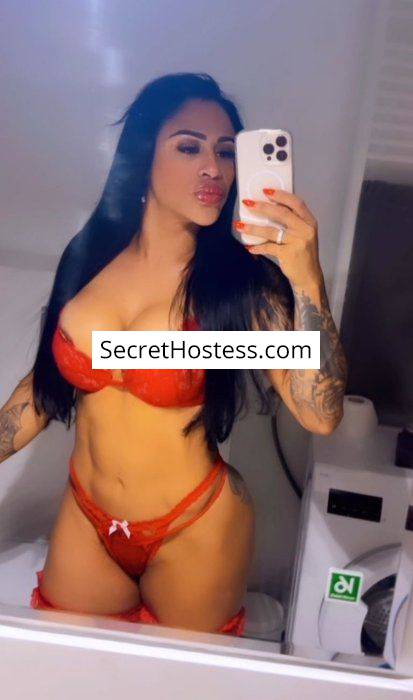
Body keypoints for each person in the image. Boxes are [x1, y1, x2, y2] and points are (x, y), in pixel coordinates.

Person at [0, 72, 347, 636]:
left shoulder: (241, 284)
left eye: (226, 152)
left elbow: (320, 413)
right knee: (66, 669)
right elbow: (41, 391)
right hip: (88, 520)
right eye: (189, 147)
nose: (214, 168)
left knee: (180, 680)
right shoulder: (89, 257)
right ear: (144, 156)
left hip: (194, 527)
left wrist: (306, 276)